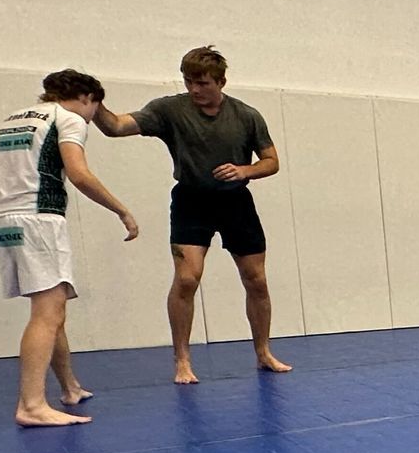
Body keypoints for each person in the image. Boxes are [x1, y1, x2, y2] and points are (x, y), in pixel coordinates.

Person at [93, 46, 289, 383]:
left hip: (236, 203)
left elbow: (271, 162)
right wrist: (93, 100)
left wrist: (245, 171)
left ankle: (263, 352)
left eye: (202, 83)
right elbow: (115, 127)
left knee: (256, 280)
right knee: (187, 278)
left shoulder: (246, 115)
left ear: (221, 82)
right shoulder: (169, 110)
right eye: (189, 82)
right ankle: (182, 360)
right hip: (191, 202)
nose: (195, 90)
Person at [0, 70, 139, 426]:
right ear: (88, 98)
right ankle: (31, 404)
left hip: (5, 218)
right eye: (95, 108)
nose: (93, 117)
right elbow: (79, 173)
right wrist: (122, 210)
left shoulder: (16, 119)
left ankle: (69, 386)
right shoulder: (69, 118)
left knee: (52, 306)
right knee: (48, 313)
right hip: (39, 217)